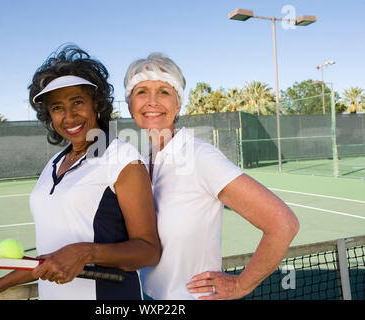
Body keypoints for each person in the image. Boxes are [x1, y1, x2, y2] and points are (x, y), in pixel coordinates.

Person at [0, 45, 160, 300]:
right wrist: (0, 283)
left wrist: (85, 252)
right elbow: (50, 257)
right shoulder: (52, 165)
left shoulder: (123, 160)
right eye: (57, 107)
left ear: (96, 103)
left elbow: (148, 251)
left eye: (77, 102)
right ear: (48, 114)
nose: (69, 116)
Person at [123, 52, 299, 300]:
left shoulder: (200, 157)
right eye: (141, 91)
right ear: (130, 105)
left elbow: (283, 223)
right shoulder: (142, 162)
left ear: (178, 104)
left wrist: (241, 285)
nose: (152, 101)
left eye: (164, 91)